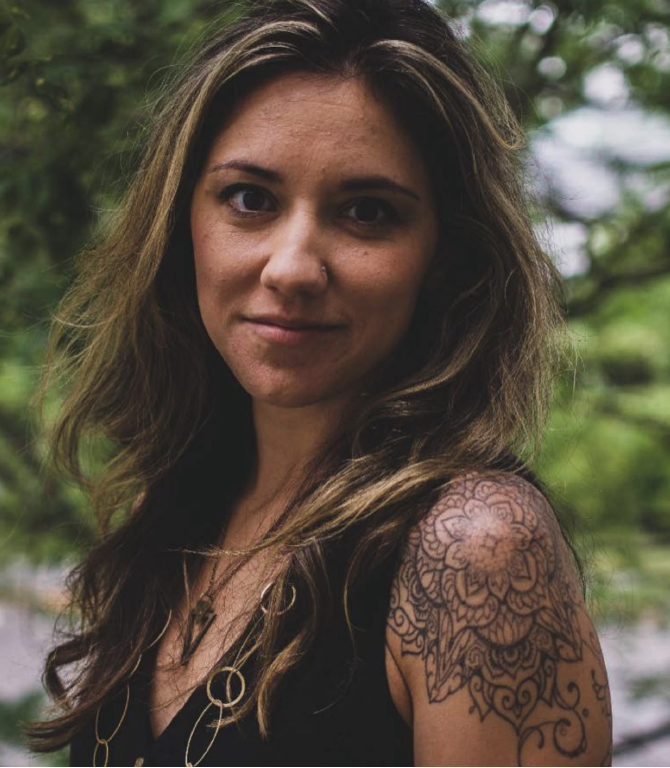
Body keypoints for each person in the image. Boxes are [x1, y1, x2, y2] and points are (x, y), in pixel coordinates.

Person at [28, 0, 613, 765]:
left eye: (367, 212)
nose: (293, 268)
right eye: (250, 199)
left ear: (446, 255)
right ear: (182, 226)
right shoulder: (171, 506)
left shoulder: (473, 549)